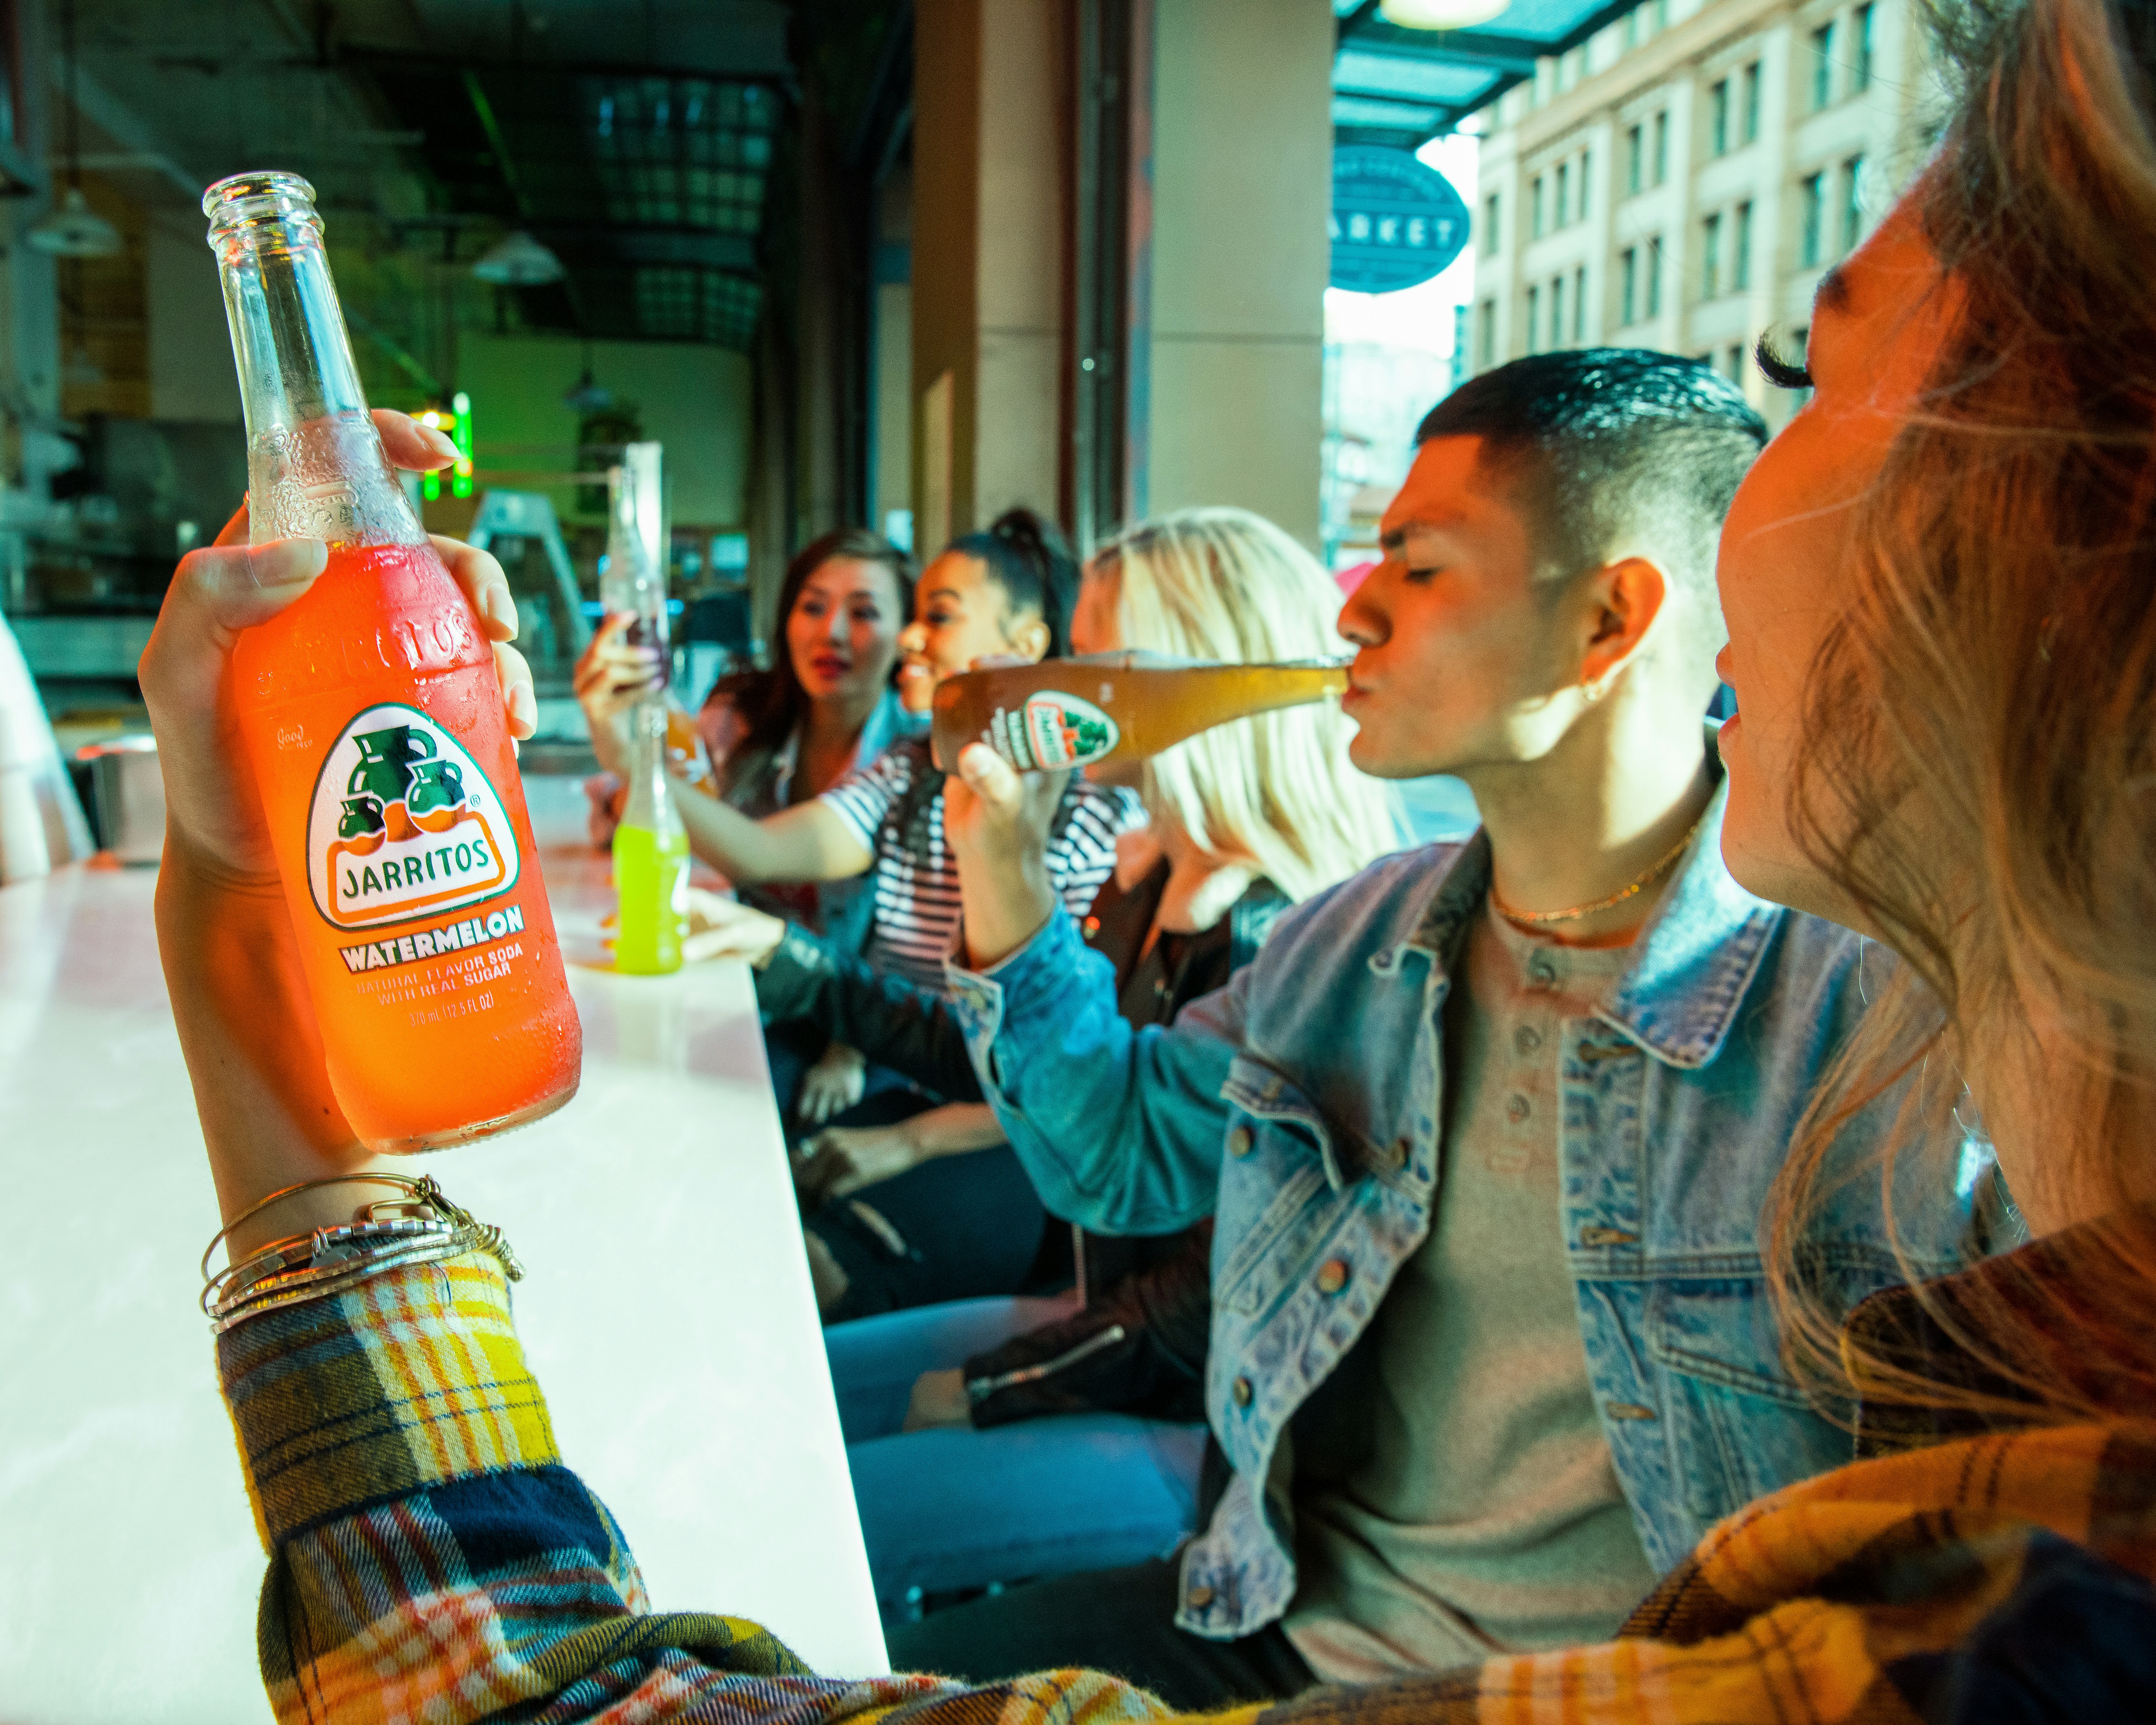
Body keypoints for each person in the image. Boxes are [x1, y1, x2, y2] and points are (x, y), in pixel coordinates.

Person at [157, 1, 2156, 1707]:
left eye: (1806, 379)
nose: (1352, 609)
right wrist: (997, 890)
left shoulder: (1895, 1107)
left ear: (1615, 617)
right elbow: (1107, 1149)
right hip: (1274, 1606)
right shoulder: (1370, 936)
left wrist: (251, 938)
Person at [692, 507, 1400, 1617]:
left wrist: (986, 1388)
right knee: (767, 1410)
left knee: (789, 1527)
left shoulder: (1281, 930)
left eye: (1101, 649)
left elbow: (1210, 1298)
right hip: (1098, 1326)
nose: (1068, 675)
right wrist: (796, 964)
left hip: (1205, 1439)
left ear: (1200, 673)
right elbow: (1004, 1065)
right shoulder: (1150, 871)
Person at [670, 507, 1140, 1318]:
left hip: (1011, 1140)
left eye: (939, 617)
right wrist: (625, 748)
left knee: (811, 1275)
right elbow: (754, 850)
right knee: (728, 1201)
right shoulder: (911, 769)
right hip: (911, 1073)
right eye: (917, 614)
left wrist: (907, 1141)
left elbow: (1071, 1072)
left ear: (1026, 648)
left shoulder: (1095, 817)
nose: (910, 640)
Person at [577, 527, 918, 1125]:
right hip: (742, 993)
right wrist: (619, 749)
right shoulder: (741, 719)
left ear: (908, 636)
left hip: (867, 1022)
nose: (830, 631)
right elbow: (629, 821)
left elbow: (912, 935)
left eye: (863, 612)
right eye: (812, 606)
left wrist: (850, 1050)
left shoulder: (916, 758)